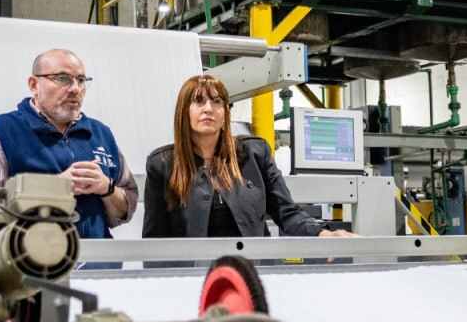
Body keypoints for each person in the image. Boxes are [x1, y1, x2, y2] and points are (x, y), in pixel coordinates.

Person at [144, 74, 354, 239]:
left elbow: (287, 212)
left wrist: (323, 233)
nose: (208, 108)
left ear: (225, 113)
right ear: (184, 112)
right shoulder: (162, 164)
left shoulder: (255, 153)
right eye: (199, 101)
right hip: (194, 275)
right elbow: (155, 239)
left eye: (216, 102)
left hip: (252, 269)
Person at [0, 48, 137, 240]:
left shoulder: (102, 135)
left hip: (98, 257)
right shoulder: (0, 132)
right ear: (34, 85)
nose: (75, 89)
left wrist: (107, 188)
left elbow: (127, 207)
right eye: (63, 78)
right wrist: (54, 188)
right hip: (31, 257)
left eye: (81, 80)